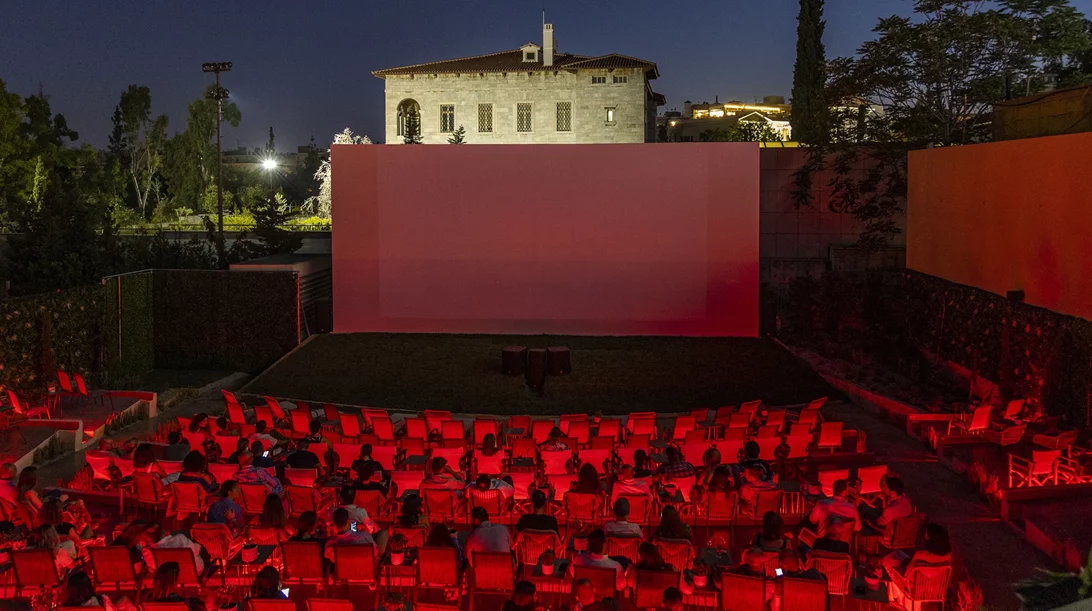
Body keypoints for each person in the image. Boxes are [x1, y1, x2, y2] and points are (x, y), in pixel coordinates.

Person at [882, 523, 952, 578]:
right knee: (902, 557)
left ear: (930, 539)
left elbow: (907, 573)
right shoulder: (948, 556)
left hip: (914, 584)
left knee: (889, 560)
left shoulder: (920, 555)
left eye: (926, 535)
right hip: (932, 585)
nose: (925, 536)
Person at [569, 528, 626, 592]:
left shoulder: (579, 560)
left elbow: (573, 573)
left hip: (585, 597)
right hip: (605, 600)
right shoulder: (616, 566)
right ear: (604, 545)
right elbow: (620, 586)